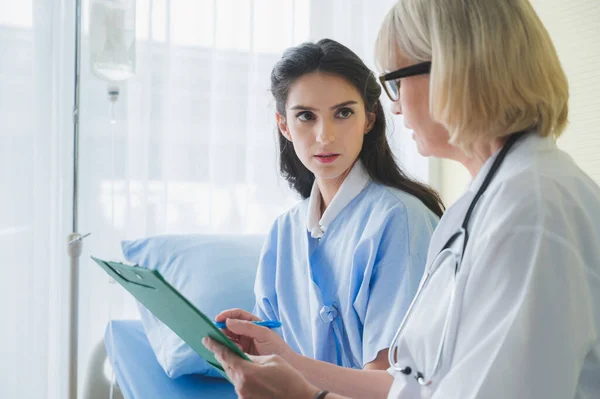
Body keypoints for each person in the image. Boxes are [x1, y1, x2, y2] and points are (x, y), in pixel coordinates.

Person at [203, 0, 600, 398]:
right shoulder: (487, 204)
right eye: (305, 115)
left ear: (455, 72)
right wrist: (285, 363)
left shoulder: (532, 208)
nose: (393, 105)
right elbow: (415, 385)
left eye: (395, 82)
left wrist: (307, 395)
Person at [244, 38, 443, 373]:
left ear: (368, 118)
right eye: (306, 116)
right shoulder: (284, 231)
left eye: (343, 113)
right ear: (284, 125)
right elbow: (271, 367)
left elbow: (390, 382)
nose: (325, 136)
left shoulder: (401, 219)